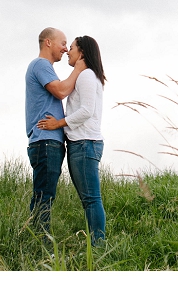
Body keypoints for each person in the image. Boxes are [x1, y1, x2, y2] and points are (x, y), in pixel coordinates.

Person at [38, 35, 107, 245]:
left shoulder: (86, 75)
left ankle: (98, 245)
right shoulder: (87, 75)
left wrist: (58, 124)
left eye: (73, 48)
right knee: (89, 199)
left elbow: (86, 110)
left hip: (85, 143)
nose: (68, 51)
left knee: (91, 199)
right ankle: (97, 243)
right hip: (83, 143)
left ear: (82, 53)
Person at [25, 27, 84, 241]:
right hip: (45, 142)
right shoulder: (40, 65)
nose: (66, 48)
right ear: (48, 42)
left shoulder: (45, 67)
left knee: (44, 195)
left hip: (48, 142)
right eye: (62, 43)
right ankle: (40, 243)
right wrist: (79, 68)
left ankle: (35, 238)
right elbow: (60, 90)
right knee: (44, 197)